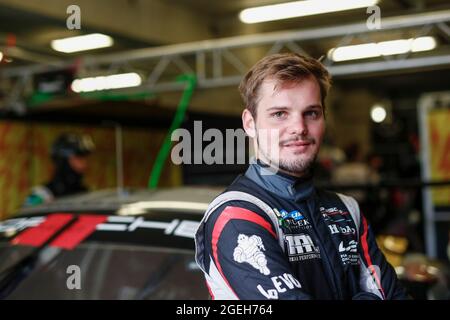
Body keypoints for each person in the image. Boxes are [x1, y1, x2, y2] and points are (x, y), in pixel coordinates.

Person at [194, 53, 408, 300]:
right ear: (250, 123)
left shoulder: (346, 209)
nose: (299, 128)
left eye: (312, 113)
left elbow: (396, 296)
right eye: (279, 114)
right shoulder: (236, 216)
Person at [23, 132, 95, 206]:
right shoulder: (41, 195)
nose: (84, 164)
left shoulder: (86, 194)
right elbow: (26, 214)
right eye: (79, 158)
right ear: (63, 161)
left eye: (85, 158)